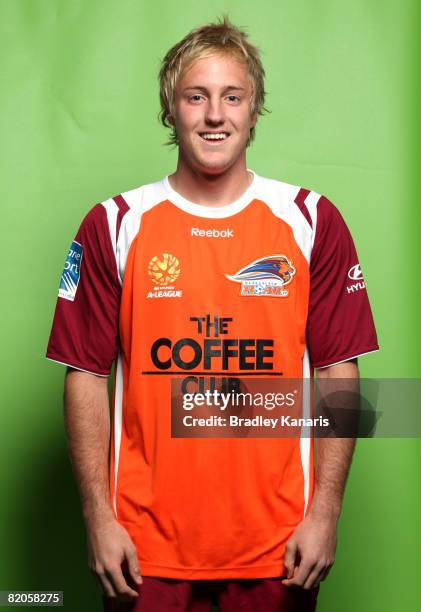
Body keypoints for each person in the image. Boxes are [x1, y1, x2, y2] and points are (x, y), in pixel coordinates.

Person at [46, 16, 379, 612]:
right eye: (195, 96)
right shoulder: (114, 224)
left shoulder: (311, 221)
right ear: (170, 111)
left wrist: (326, 513)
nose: (214, 114)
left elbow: (338, 374)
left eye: (233, 96)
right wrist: (98, 518)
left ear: (255, 111)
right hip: (143, 552)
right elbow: (85, 376)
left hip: (278, 550)